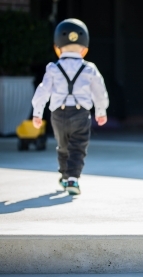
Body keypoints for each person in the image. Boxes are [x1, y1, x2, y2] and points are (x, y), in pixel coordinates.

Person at [31, 18, 109, 195]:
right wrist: (101, 110)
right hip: (81, 114)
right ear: (85, 49)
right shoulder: (90, 69)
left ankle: (65, 176)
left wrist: (37, 113)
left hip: (58, 114)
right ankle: (73, 178)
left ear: (57, 48)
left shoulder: (53, 68)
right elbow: (99, 91)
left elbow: (43, 91)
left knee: (63, 145)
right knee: (78, 146)